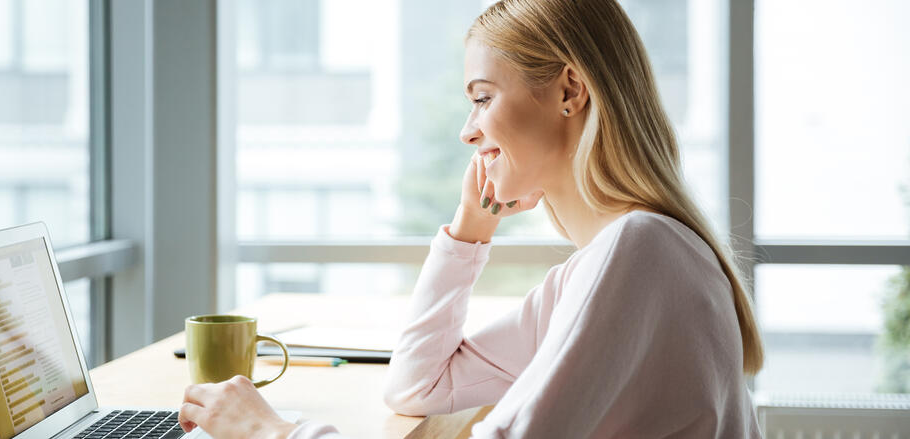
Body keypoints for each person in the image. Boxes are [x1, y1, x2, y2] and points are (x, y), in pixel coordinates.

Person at [177, 0, 765, 437]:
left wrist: (270, 432)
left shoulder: (641, 253)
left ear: (570, 91)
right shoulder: (608, 265)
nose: (467, 130)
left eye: (483, 97)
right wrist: (469, 231)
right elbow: (417, 385)